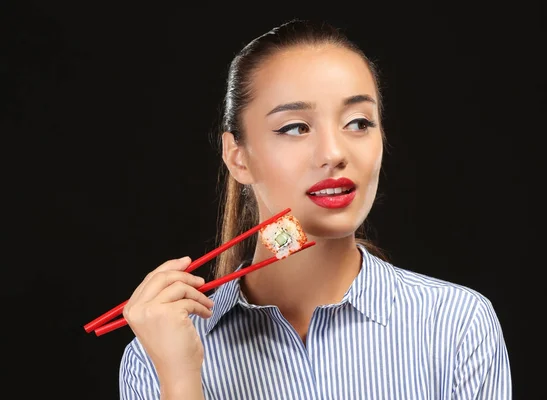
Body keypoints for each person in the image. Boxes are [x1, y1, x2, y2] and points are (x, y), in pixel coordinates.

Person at [119, 19, 512, 399]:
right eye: (295, 128)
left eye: (358, 123)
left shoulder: (457, 324)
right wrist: (180, 379)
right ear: (238, 158)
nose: (334, 153)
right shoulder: (155, 357)